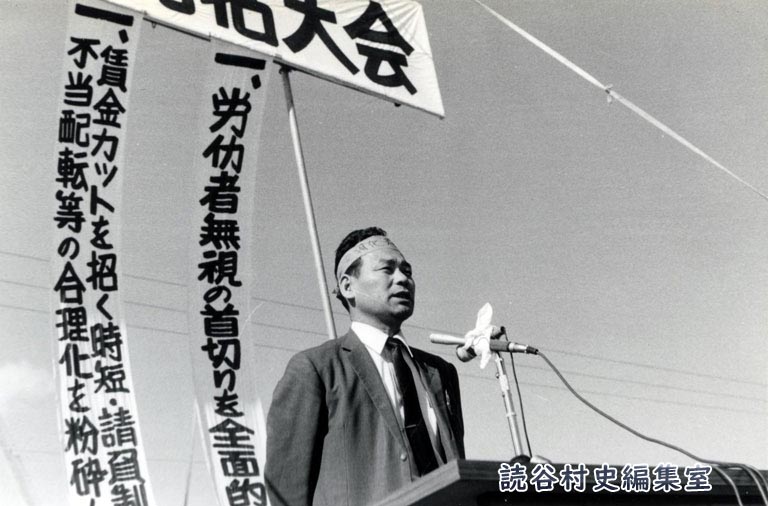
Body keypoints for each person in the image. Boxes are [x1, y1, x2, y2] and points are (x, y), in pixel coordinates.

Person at [265, 227, 465, 506]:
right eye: (387, 269)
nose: (403, 279)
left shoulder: (440, 372)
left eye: (407, 271)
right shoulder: (315, 369)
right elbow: (286, 492)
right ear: (348, 287)